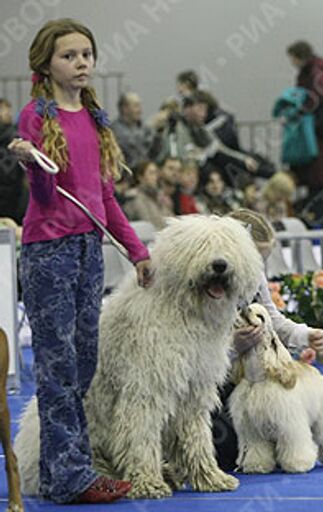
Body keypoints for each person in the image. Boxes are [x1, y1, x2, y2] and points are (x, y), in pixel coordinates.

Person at [7, 18, 153, 504]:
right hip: (50, 252)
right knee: (58, 366)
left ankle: (58, 474)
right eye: (70, 56)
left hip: (90, 249)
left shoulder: (94, 119)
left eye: (86, 54)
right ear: (46, 64)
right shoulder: (36, 116)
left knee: (83, 362)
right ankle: (72, 474)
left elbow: (105, 198)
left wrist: (138, 253)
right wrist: (33, 161)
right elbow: (47, 196)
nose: (81, 63)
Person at [212, 208, 323, 471]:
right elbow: (194, 349)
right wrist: (232, 347)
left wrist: (305, 334)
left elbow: (272, 319)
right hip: (213, 381)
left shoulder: (254, 275)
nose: (259, 268)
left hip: (246, 376)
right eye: (255, 259)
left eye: (262, 261)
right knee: (226, 452)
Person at [287, 40, 323, 228]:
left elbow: (311, 100)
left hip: (320, 144)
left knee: (318, 190)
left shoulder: (312, 75)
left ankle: (321, 230)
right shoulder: (319, 71)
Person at [111, 92, 163, 170]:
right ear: (125, 108)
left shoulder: (144, 128)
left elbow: (154, 154)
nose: (140, 110)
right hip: (126, 178)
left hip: (145, 177)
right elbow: (132, 149)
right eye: (136, 106)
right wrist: (152, 126)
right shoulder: (114, 129)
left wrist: (159, 132)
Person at [121, 160, 173, 229]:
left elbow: (170, 219)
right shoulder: (133, 198)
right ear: (140, 177)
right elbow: (148, 223)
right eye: (151, 173)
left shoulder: (160, 196)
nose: (155, 177)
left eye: (156, 173)